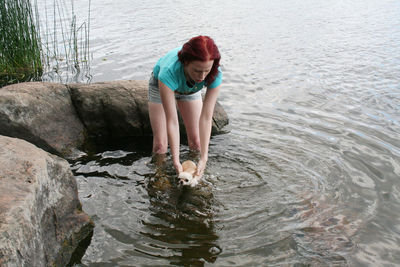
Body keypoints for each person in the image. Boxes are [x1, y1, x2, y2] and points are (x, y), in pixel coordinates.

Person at [148, 35, 222, 179]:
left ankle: (195, 176)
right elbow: (172, 121)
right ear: (186, 63)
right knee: (160, 146)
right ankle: (159, 178)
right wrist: (175, 159)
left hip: (190, 89)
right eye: (197, 70)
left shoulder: (215, 74)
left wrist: (204, 158)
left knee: (197, 142)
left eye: (206, 70)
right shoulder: (169, 71)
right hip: (162, 85)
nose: (202, 76)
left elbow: (206, 118)